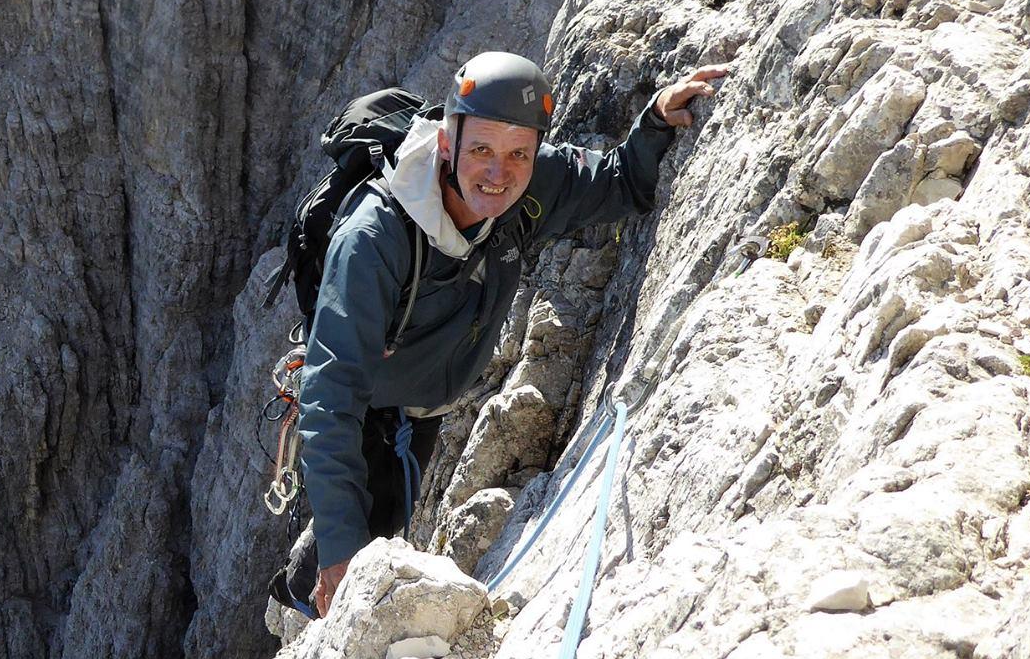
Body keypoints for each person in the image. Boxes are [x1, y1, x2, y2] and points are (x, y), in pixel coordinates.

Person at [270, 50, 727, 618]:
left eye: (518, 153)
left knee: (381, 540)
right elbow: (331, 397)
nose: (498, 172)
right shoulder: (374, 240)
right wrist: (341, 555)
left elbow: (616, 182)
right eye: (481, 149)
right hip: (366, 413)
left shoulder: (526, 189)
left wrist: (656, 121)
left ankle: (312, 579)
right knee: (350, 565)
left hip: (421, 411)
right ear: (446, 144)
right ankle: (304, 597)